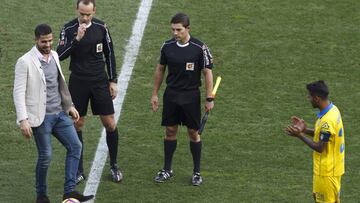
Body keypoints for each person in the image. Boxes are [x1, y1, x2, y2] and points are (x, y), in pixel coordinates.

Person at [13, 24, 94, 203]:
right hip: (41, 118)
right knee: (46, 155)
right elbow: (18, 92)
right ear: (36, 40)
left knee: (75, 147)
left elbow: (59, 84)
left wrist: (69, 106)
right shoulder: (25, 61)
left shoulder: (55, 56)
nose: (48, 45)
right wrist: (23, 120)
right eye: (44, 42)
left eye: (50, 41)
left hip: (60, 114)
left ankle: (69, 192)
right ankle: (41, 196)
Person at [56, 0, 122, 184]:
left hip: (99, 81)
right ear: (76, 9)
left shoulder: (102, 27)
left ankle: (114, 165)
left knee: (109, 123)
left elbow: (110, 53)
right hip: (78, 81)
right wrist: (76, 39)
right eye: (82, 14)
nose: (85, 18)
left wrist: (113, 80)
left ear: (94, 11)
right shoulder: (68, 28)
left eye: (88, 14)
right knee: (77, 124)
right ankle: (79, 169)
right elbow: (59, 55)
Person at [151, 13, 214, 186]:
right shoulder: (167, 46)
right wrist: (155, 94)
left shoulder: (199, 48)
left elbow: (207, 72)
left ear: (188, 29)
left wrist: (209, 98)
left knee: (193, 133)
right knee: (170, 131)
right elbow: (160, 70)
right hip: (171, 95)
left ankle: (196, 172)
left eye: (178, 30)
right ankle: (167, 169)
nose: (175, 33)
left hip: (191, 96)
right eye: (173, 30)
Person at [286, 80, 345, 203]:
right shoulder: (333, 110)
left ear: (317, 98)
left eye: (310, 96)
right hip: (334, 169)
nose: (309, 99)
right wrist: (305, 129)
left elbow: (319, 147)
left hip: (326, 173)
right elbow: (325, 135)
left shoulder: (327, 121)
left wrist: (299, 135)